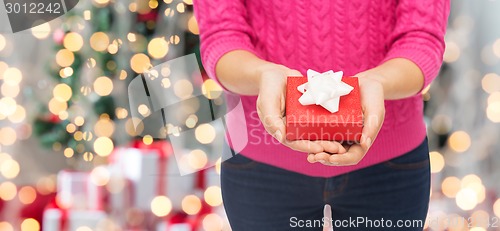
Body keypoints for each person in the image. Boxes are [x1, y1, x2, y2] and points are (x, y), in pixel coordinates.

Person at [193, 0, 450, 230]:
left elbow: (422, 38)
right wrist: (263, 76)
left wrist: (379, 81)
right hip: (259, 159)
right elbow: (222, 36)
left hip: (390, 163)